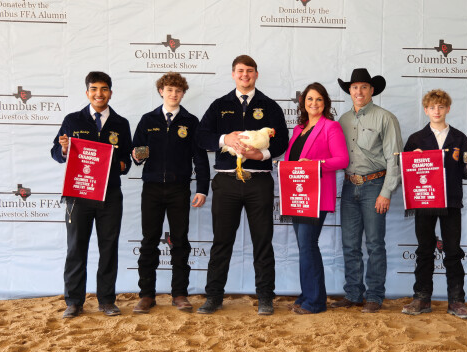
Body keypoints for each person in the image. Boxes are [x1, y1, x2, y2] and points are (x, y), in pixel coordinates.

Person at [195, 55, 288, 315]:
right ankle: (213, 296)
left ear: (256, 74)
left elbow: (281, 142)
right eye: (239, 71)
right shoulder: (219, 105)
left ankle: (266, 297)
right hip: (226, 181)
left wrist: (263, 155)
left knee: (263, 241)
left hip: (259, 182)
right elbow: (202, 137)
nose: (244, 75)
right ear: (233, 74)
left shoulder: (269, 106)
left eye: (249, 71)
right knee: (221, 241)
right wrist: (226, 138)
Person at [51, 71, 132, 318]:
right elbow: (56, 153)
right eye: (94, 89)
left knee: (108, 248)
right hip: (79, 195)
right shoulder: (72, 120)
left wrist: (117, 164)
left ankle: (107, 300)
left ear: (110, 92)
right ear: (87, 92)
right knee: (76, 248)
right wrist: (64, 149)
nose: (99, 93)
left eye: (104, 89)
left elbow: (127, 162)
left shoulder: (121, 123)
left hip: (110, 196)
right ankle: (74, 301)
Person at [131, 72, 210, 314]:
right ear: (160, 92)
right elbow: (137, 153)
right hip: (152, 188)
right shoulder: (147, 120)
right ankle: (146, 295)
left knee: (180, 242)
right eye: (169, 90)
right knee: (149, 242)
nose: (173, 94)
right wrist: (136, 156)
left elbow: (200, 158)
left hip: (179, 189)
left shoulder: (191, 121)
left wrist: (202, 189)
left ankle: (179, 294)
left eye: (178, 90)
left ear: (183, 93)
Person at [402, 89, 467, 319]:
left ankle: (456, 301)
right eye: (432, 107)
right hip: (424, 201)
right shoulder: (416, 139)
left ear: (448, 109)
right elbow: (406, 172)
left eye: (441, 107)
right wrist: (411, 158)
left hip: (451, 201)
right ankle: (422, 297)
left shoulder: (459, 138)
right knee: (424, 250)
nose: (437, 111)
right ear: (426, 110)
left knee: (453, 251)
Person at [332, 68, 403, 313]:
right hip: (349, 184)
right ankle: (353, 294)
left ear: (372, 90)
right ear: (349, 91)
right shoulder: (343, 120)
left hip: (375, 185)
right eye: (354, 87)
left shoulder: (385, 118)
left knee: (374, 244)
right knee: (350, 244)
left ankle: (374, 295)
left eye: (364, 87)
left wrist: (386, 191)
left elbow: (394, 158)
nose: (359, 91)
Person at [285, 83, 349, 314]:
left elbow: (342, 160)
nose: (314, 103)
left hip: (317, 195)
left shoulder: (331, 127)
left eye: (319, 99)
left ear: (325, 103)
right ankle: (307, 294)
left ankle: (316, 301)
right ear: (303, 102)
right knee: (304, 246)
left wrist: (316, 165)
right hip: (298, 194)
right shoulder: (298, 129)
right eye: (310, 99)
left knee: (308, 245)